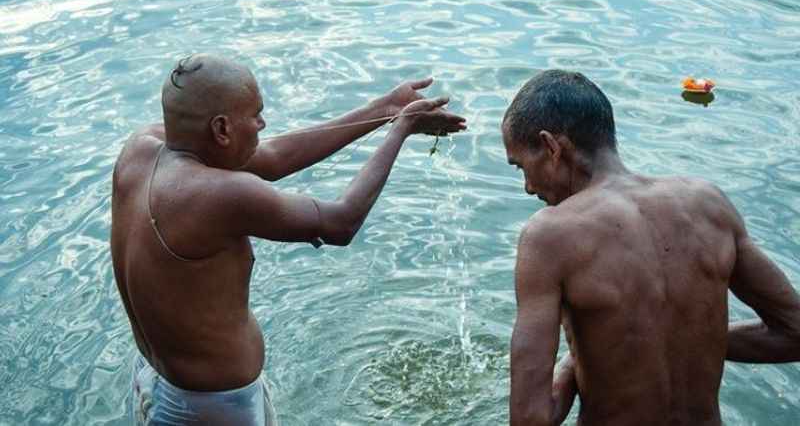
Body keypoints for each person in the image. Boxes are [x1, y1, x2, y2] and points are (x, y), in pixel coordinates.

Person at [110, 54, 466, 425]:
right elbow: (341, 222)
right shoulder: (221, 195)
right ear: (221, 129)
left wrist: (386, 109)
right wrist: (401, 130)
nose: (263, 124)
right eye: (256, 115)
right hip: (209, 410)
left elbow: (274, 157)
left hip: (156, 381)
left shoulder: (140, 149)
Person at [501, 69, 800, 425]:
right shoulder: (708, 204)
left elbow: (531, 419)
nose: (527, 187)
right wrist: (689, 337)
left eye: (521, 166)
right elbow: (794, 333)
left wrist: (578, 360)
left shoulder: (550, 237)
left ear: (552, 147)